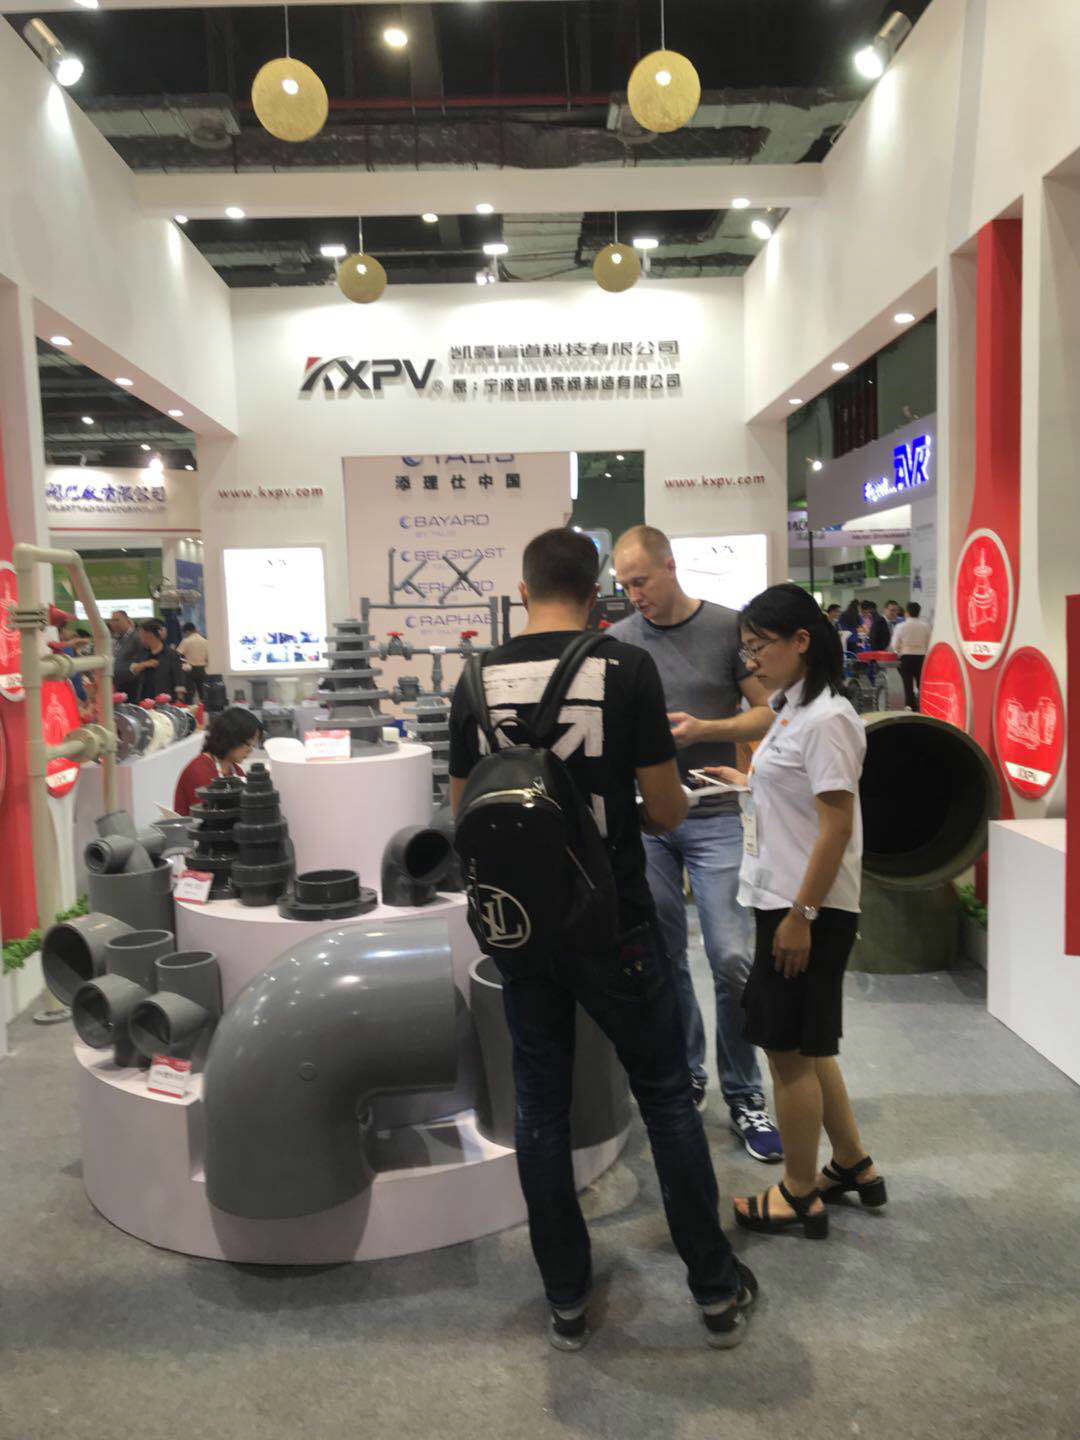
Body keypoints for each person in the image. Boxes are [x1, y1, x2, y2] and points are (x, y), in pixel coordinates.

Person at [449, 527, 758, 1352]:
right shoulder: (625, 668)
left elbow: (461, 815)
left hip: (522, 933)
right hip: (614, 922)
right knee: (665, 1097)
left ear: (523, 593)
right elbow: (666, 810)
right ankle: (714, 1290)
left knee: (541, 1108)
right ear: (596, 595)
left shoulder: (475, 680)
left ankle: (566, 1298)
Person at [704, 584, 886, 1240]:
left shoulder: (828, 718)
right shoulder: (792, 707)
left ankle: (800, 1192)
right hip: (784, 898)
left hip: (806, 908)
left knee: (785, 1055)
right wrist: (746, 783)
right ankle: (852, 1162)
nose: (751, 660)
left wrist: (801, 917)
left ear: (801, 641)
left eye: (760, 646)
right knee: (807, 1044)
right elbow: (800, 797)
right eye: (746, 648)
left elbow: (835, 827)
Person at [610, 525, 781, 1161]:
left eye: (640, 581)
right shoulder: (618, 641)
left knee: (733, 957)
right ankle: (686, 1074)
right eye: (624, 585)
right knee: (662, 957)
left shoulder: (727, 628)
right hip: (647, 821)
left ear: (670, 566)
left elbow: (768, 711)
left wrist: (706, 728)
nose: (634, 594)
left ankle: (745, 1092)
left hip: (715, 814)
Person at [173, 706, 260, 816]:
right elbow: (208, 817)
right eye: (248, 744)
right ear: (231, 737)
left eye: (253, 745)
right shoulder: (199, 770)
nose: (250, 750)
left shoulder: (235, 770)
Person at [129, 618, 187, 703]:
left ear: (150, 634)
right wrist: (145, 664)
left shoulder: (171, 654)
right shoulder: (142, 652)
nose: (140, 638)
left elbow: (179, 679)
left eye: (142, 634)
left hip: (166, 701)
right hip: (144, 701)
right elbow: (133, 669)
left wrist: (179, 700)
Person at [891, 601, 931, 710]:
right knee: (921, 685)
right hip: (921, 658)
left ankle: (910, 708)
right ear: (919, 612)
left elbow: (895, 645)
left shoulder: (900, 626)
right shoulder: (926, 626)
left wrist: (899, 651)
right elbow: (929, 643)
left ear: (907, 612)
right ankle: (924, 707)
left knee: (908, 686)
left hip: (906, 658)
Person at [108, 610, 146, 700]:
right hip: (118, 684)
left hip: (133, 686)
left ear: (127, 620)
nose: (113, 624)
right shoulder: (116, 639)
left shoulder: (137, 637)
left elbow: (143, 660)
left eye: (117, 620)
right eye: (112, 621)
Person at [177, 622, 209, 700]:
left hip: (190, 670)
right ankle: (203, 705)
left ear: (187, 631)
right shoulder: (205, 641)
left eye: (185, 633)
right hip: (202, 669)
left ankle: (189, 706)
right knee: (202, 693)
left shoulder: (186, 641)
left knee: (189, 694)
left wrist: (183, 662)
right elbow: (208, 657)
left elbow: (177, 654)